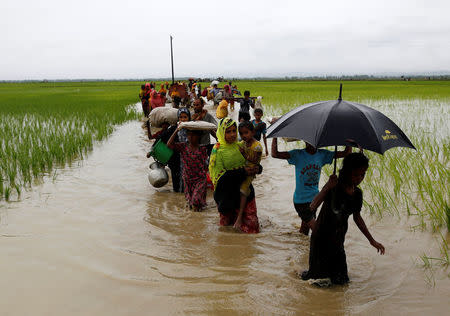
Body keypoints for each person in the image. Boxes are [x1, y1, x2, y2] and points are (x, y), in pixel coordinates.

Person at [301, 152, 385, 284]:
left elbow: (357, 218)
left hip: (338, 241)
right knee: (317, 282)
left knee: (342, 282)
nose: (359, 178)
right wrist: (327, 187)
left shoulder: (357, 194)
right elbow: (312, 206)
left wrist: (372, 241)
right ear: (346, 172)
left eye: (362, 174)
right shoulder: (334, 187)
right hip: (321, 240)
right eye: (356, 174)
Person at [271, 136, 352, 235]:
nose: (310, 143)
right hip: (301, 201)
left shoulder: (322, 154)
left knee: (304, 232)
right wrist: (275, 136)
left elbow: (346, 153)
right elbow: (275, 154)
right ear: (304, 141)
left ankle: (299, 247)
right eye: (308, 140)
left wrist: (348, 140)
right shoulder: (298, 154)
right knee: (318, 232)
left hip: (315, 200)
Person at [209, 118, 260, 233]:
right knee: (225, 231)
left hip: (244, 192)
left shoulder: (241, 147)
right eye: (228, 131)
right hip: (226, 196)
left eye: (234, 131)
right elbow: (220, 179)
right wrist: (243, 172)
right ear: (222, 133)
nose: (232, 134)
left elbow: (253, 161)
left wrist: (257, 169)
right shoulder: (217, 151)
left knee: (252, 227)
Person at [167, 127, 212, 211]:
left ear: (199, 136)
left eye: (194, 134)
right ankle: (195, 220)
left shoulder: (203, 148)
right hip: (187, 180)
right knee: (191, 203)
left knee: (196, 200)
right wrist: (176, 130)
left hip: (200, 180)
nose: (191, 137)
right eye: (189, 134)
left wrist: (210, 130)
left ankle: (196, 219)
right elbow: (169, 144)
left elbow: (219, 143)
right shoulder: (183, 146)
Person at [235, 122, 263, 230]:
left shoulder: (257, 146)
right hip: (243, 168)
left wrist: (243, 154)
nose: (244, 136)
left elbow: (255, 160)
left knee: (243, 190)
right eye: (241, 134)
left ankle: (240, 215)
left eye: (246, 133)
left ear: (253, 132)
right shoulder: (242, 143)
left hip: (251, 170)